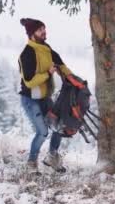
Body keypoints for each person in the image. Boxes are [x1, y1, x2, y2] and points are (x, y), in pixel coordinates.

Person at [17, 17, 74, 173]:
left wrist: (73, 80)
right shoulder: (26, 54)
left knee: (59, 126)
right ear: (32, 33)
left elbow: (61, 65)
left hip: (45, 98)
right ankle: (31, 163)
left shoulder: (47, 49)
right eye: (40, 30)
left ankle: (52, 157)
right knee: (42, 132)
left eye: (44, 29)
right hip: (30, 99)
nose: (44, 32)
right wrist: (47, 74)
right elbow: (28, 81)